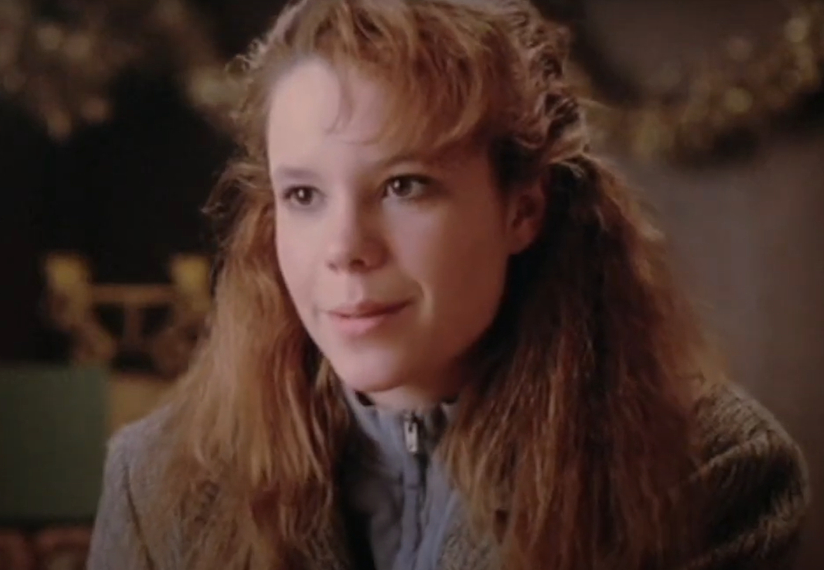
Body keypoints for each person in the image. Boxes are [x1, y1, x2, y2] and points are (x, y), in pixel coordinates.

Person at [87, 1, 810, 569]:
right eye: (303, 196)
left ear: (521, 209)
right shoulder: (157, 484)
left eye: (404, 186)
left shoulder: (707, 472)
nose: (343, 250)